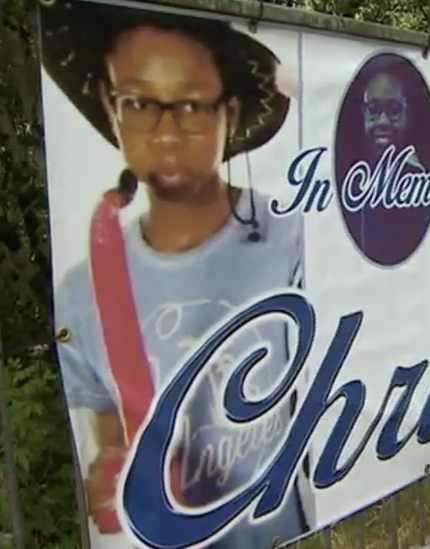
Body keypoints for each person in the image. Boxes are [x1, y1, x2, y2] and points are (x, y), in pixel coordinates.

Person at [40, 1, 309, 547]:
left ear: (228, 113)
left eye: (190, 105)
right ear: (108, 104)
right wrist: (111, 466)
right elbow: (109, 432)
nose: (165, 131)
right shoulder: (84, 290)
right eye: (140, 102)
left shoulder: (293, 237)